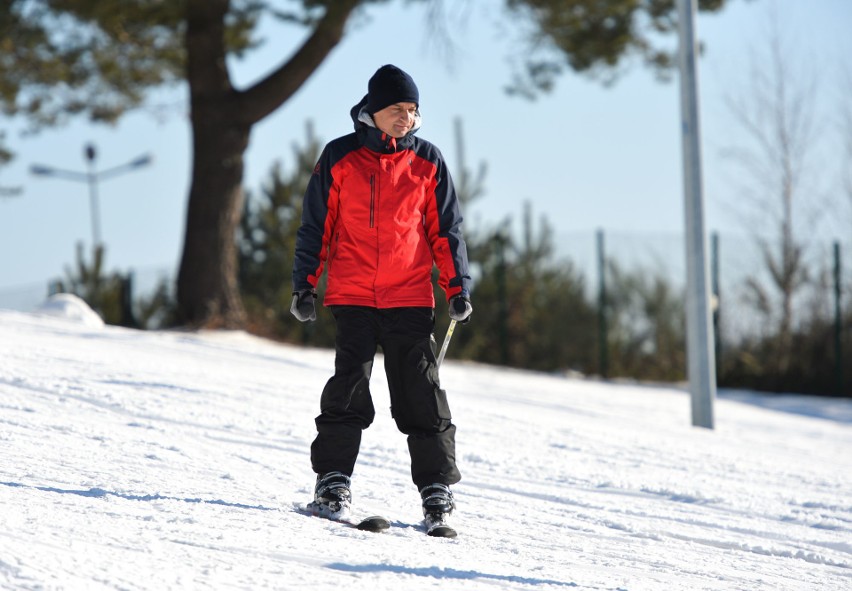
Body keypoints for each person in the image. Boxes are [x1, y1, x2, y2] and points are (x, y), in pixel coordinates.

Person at [290, 64, 473, 528]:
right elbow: (317, 227)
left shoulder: (427, 162)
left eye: (412, 110)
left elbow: (445, 231)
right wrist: (305, 285)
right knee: (349, 389)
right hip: (352, 295)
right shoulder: (339, 157)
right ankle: (332, 483)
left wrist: (457, 287)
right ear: (374, 108)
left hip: (409, 298)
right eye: (397, 109)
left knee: (421, 396)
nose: (405, 118)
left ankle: (436, 493)